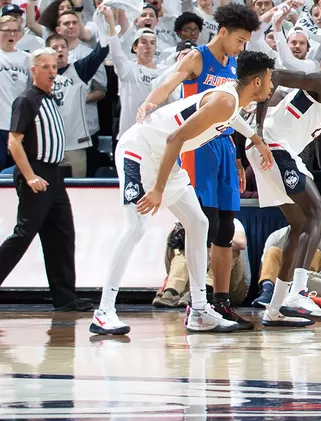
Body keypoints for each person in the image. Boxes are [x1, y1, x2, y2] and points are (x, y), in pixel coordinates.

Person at [90, 48, 276, 335]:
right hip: (139, 151)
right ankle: (104, 310)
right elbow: (176, 138)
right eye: (270, 79)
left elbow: (229, 118)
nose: (273, 85)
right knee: (135, 227)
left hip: (163, 155)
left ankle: (200, 310)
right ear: (257, 82)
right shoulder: (226, 101)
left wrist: (256, 139)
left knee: (199, 223)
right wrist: (157, 189)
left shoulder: (231, 99)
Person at [126, 2, 264, 329]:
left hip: (224, 146)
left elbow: (234, 115)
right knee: (204, 224)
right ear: (224, 32)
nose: (242, 47)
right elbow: (171, 80)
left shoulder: (234, 65)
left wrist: (240, 156)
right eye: (240, 40)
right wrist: (150, 102)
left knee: (226, 228)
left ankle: (221, 302)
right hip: (196, 146)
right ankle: (196, 302)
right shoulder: (198, 57)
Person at [245, 46, 321, 327]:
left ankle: (275, 308)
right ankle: (298, 292)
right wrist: (260, 131)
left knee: (299, 225)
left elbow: (283, 97)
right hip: (272, 145)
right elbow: (273, 76)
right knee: (319, 214)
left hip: (281, 148)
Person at [0, 48, 87, 310]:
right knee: (23, 235)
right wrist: (30, 177)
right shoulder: (27, 100)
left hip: (55, 176)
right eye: (46, 67)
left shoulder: (51, 100)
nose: (52, 71)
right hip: (36, 174)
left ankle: (65, 297)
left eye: (54, 67)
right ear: (33, 70)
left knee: (61, 235)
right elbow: (14, 142)